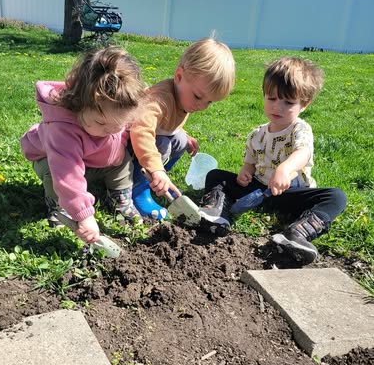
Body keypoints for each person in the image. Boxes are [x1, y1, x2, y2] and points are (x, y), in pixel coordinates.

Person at [199, 57, 347, 264]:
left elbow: (302, 153)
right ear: (264, 96)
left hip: (292, 195)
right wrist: (245, 171)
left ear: (304, 104)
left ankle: (297, 233)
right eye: (272, 98)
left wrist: (285, 169)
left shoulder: (300, 129)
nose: (278, 107)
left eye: (288, 102)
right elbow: (250, 159)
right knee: (216, 176)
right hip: (259, 190)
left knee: (336, 196)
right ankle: (216, 213)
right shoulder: (257, 134)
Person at [21, 46, 146, 244]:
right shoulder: (62, 128)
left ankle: (119, 198)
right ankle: (59, 206)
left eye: (119, 124)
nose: (112, 130)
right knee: (55, 173)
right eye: (101, 123)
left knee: (123, 160)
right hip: (56, 161)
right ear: (79, 105)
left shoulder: (116, 111)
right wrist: (84, 215)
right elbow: (67, 174)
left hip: (98, 159)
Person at [129, 37, 236, 219]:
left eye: (209, 102)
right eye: (198, 97)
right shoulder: (158, 100)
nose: (201, 106)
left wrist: (182, 132)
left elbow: (166, 122)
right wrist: (156, 169)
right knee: (163, 144)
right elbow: (140, 130)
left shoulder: (183, 96)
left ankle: (158, 182)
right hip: (127, 144)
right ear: (179, 76)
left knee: (179, 140)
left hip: (149, 140)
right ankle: (138, 189)